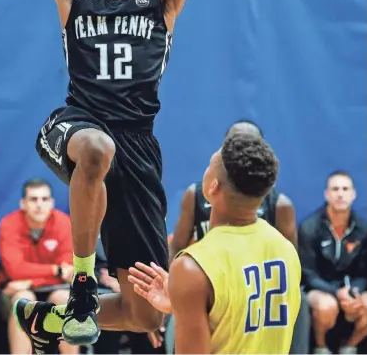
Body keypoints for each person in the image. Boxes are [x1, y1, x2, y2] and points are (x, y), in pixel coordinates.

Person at [13, 0, 192, 351]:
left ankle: (50, 320)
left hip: (138, 151)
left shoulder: (160, 1)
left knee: (144, 315)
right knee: (95, 147)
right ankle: (84, 282)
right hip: (77, 125)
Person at [129, 133, 302, 354]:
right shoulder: (285, 250)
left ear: (213, 187)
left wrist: (187, 298)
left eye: (209, 166)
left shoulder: (193, 266)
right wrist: (184, 305)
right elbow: (244, 319)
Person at [168, 120, 297, 261]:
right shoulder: (195, 195)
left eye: (249, 144)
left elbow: (290, 261)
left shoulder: (280, 205)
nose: (242, 150)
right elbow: (176, 247)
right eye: (235, 143)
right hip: (206, 276)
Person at [0, 179, 76, 354]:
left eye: (45, 199)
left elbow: (67, 269)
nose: (39, 205)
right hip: (13, 292)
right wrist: (55, 270)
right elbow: (15, 270)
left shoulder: (64, 223)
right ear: (23, 204)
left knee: (64, 299)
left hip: (52, 289)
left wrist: (30, 281)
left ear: (52, 203)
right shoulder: (8, 224)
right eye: (33, 199)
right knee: (24, 300)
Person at [299, 170, 367, 355]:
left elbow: (364, 272)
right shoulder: (309, 227)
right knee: (326, 307)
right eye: (335, 189)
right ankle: (321, 348)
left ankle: (349, 346)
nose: (340, 194)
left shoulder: (364, 228)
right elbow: (308, 274)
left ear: (353, 194)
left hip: (350, 290)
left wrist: (353, 293)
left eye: (345, 189)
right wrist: (336, 293)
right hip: (319, 290)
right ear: (327, 194)